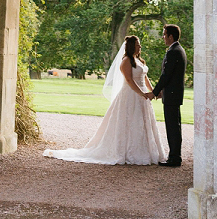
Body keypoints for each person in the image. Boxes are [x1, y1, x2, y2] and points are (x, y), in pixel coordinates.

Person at [43, 35, 167, 165]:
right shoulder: (126, 61)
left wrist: (152, 91)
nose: (140, 47)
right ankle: (128, 152)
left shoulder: (139, 60)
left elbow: (145, 77)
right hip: (131, 96)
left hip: (142, 97)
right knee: (130, 122)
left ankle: (145, 152)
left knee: (143, 123)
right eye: (137, 45)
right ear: (131, 46)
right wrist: (142, 93)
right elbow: (129, 80)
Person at [148, 23, 186, 167]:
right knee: (175, 126)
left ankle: (174, 158)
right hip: (173, 93)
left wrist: (155, 92)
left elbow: (166, 75)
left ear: (170, 36)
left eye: (164, 34)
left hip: (171, 94)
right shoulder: (179, 50)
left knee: (172, 127)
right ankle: (175, 156)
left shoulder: (173, 51)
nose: (163, 37)